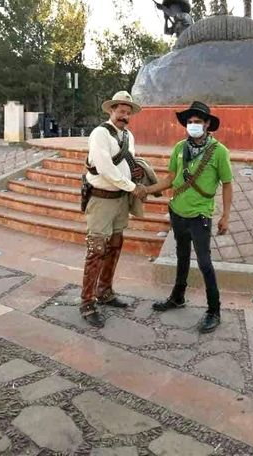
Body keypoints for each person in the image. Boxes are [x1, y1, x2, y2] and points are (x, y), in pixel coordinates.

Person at [144, 101, 233, 333]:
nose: (193, 125)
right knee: (182, 257)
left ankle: (214, 310)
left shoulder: (219, 152)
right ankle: (177, 297)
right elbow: (170, 179)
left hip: (201, 214)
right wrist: (146, 190)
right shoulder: (179, 148)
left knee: (204, 263)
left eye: (198, 122)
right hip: (178, 211)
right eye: (190, 122)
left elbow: (227, 184)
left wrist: (226, 216)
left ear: (207, 125)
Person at [80, 90, 147, 328]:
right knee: (96, 249)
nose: (124, 116)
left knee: (115, 246)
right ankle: (87, 302)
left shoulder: (128, 136)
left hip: (120, 200)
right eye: (121, 111)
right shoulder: (100, 133)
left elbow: (130, 163)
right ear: (111, 110)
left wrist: (137, 175)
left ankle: (105, 291)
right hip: (101, 199)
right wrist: (133, 187)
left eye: (128, 112)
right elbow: (106, 169)